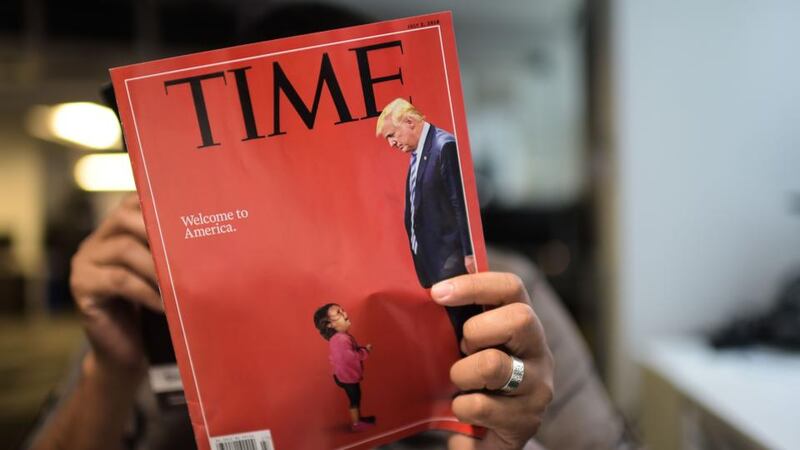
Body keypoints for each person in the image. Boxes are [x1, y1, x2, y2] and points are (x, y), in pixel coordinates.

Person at [376, 98, 483, 345]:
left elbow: (460, 202)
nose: (391, 143)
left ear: (410, 122)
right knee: (461, 336)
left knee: (472, 334)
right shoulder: (419, 153)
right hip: (436, 263)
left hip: (453, 263)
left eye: (392, 135)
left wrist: (469, 254)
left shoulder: (443, 146)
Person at [313, 303, 376, 432]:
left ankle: (359, 419)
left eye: (343, 311)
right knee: (355, 399)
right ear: (329, 324)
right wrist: (365, 351)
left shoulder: (339, 338)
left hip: (343, 375)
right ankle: (356, 423)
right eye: (339, 313)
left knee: (356, 398)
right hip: (347, 377)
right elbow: (350, 356)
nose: (345, 314)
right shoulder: (340, 339)